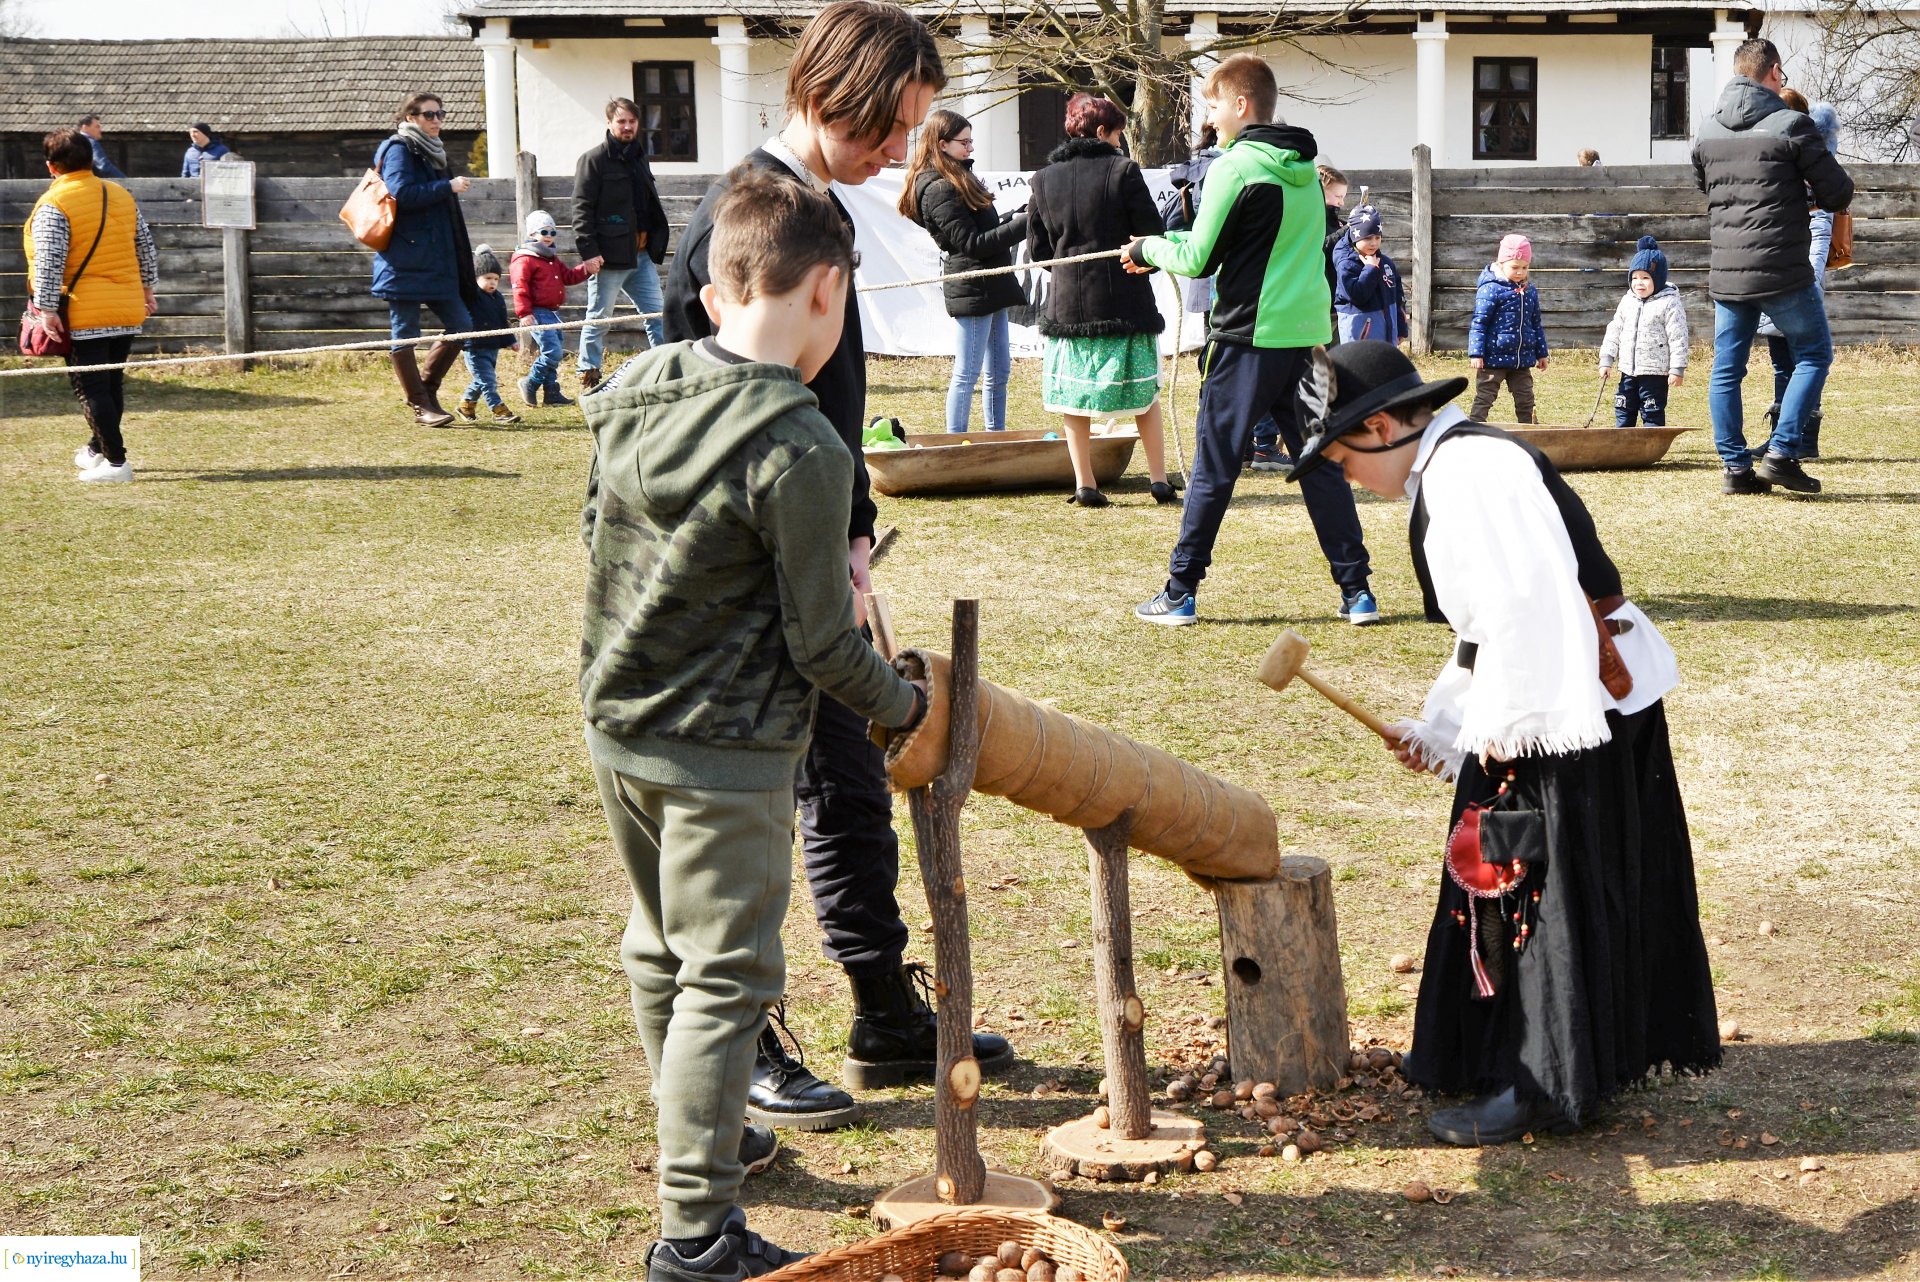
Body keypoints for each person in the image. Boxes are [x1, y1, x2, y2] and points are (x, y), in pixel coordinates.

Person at [666, 0, 1012, 1135]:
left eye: (915, 130)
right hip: (748, 586)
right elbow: (696, 430)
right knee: (756, 810)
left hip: (827, 559)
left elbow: (832, 405)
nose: (898, 153)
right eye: (891, 126)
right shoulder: (736, 223)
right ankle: (750, 1038)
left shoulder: (827, 215)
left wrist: (854, 547)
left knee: (850, 785)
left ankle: (881, 1010)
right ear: (832, 92)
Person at [582, 169, 928, 1282]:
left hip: (620, 723)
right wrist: (906, 707)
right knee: (726, 976)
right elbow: (827, 647)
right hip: (724, 750)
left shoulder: (634, 385)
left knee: (658, 947)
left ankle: (717, 1126)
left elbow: (604, 535)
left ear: (723, 281)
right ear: (825, 292)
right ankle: (697, 1233)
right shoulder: (804, 447)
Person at [1286, 340, 1720, 1147]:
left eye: (1340, 456)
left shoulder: (1468, 474)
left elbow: (1532, 613)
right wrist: (1447, 730)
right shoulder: (1453, 467)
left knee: (1529, 885)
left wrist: (1503, 740)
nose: (1342, 475)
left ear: (1381, 426)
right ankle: (1509, 1057)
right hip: (1556, 694)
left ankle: (1542, 1083)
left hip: (1563, 705)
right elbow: (1487, 633)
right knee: (1517, 875)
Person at [1125, 55, 1377, 626]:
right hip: (1311, 342)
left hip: (1247, 341)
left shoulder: (1234, 169)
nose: (1209, 116)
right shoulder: (1309, 174)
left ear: (1240, 105)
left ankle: (1180, 592)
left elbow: (1195, 257)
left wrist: (1147, 249)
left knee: (1215, 469)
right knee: (1321, 467)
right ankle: (1357, 592)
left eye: (1213, 104)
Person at [1692, 38, 1852, 496]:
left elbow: (1705, 184)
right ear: (1775, 73)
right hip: (1782, 267)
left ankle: (1735, 469)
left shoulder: (1707, 130)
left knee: (1727, 368)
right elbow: (1838, 193)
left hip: (1728, 268)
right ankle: (1782, 452)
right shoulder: (1794, 125)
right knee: (1815, 353)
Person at [1026, 94, 1176, 507]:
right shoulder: (1123, 170)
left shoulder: (1042, 179)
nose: (1120, 144)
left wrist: (1069, 270)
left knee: (1074, 399)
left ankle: (1085, 484)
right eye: (1117, 135)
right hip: (1126, 302)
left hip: (1067, 307)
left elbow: (1038, 252)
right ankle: (1159, 480)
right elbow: (1151, 235)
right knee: (1145, 396)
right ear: (1100, 132)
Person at [27, 128, 158, 483]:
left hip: (84, 309)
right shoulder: (121, 196)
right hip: (126, 305)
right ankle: (97, 451)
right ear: (90, 160)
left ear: (51, 167)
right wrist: (147, 290)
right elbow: (145, 246)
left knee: (92, 388)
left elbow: (49, 261)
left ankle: (117, 464)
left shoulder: (54, 204)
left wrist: (47, 309)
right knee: (111, 383)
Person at [898, 108, 1028, 433]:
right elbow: (972, 243)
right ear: (942, 144)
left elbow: (984, 228)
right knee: (967, 373)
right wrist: (1027, 225)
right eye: (965, 142)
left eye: (971, 142)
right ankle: (955, 444)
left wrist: (1016, 216)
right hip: (971, 286)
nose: (971, 148)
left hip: (991, 282)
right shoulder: (938, 188)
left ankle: (994, 437)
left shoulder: (958, 177)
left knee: (999, 371)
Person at [371, 92, 480, 429]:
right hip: (404, 259)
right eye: (429, 115)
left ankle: (427, 392)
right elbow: (401, 193)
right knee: (404, 332)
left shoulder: (433, 151)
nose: (436, 120)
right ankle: (420, 404)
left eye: (440, 114)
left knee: (462, 324)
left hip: (437, 260)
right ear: (410, 117)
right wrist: (446, 186)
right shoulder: (399, 148)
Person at [1756, 92, 1839, 459]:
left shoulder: (1811, 160)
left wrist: (1812, 278)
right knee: (1780, 358)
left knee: (1805, 356)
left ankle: (1804, 438)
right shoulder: (1778, 156)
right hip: (1775, 269)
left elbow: (1821, 225)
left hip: (1799, 275)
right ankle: (1780, 434)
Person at [573, 97, 671, 390]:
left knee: (658, 315)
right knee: (599, 317)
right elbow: (581, 208)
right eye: (621, 121)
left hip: (640, 255)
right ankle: (588, 374)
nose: (627, 127)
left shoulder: (639, 156)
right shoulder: (593, 160)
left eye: (631, 121)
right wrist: (589, 253)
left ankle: (664, 370)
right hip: (609, 257)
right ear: (609, 123)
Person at [511, 210, 601, 407]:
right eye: (544, 232)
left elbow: (567, 277)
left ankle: (551, 392)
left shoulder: (551, 259)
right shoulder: (525, 258)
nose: (549, 237)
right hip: (537, 313)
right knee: (553, 352)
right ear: (532, 234)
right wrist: (524, 313)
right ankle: (530, 383)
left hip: (552, 313)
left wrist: (585, 269)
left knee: (553, 350)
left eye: (553, 233)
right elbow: (519, 286)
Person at [1599, 236, 1688, 427]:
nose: (1639, 282)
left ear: (1658, 279)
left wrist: (1677, 368)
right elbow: (1614, 330)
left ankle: (1651, 444)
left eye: (1646, 278)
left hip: (1655, 373)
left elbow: (1678, 336)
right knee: (1623, 407)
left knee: (1652, 410)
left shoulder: (1669, 303)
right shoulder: (1627, 301)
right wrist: (1607, 359)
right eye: (1635, 277)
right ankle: (1623, 444)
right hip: (1628, 370)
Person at [1467, 234, 1549, 423]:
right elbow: (1479, 322)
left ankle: (1530, 432)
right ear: (1501, 263)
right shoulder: (1490, 289)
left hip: (1521, 360)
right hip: (1493, 357)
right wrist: (1476, 354)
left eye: (1525, 267)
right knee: (1485, 397)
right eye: (1515, 267)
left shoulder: (1529, 291)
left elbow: (1536, 323)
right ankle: (1473, 428)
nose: (1520, 272)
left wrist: (1541, 353)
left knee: (1526, 399)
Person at [456, 245, 521, 425]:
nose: (492, 282)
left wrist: (511, 341)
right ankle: (498, 410)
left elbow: (502, 322)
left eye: (495, 279)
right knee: (488, 380)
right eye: (487, 278)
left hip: (492, 347)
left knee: (482, 380)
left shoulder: (498, 298)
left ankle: (465, 406)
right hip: (474, 347)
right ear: (476, 278)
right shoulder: (472, 295)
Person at [1332, 205, 1407, 346]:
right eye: (1367, 238)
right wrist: (1370, 269)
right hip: (1359, 341)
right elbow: (1357, 296)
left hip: (1387, 337)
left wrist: (1401, 328)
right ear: (1355, 237)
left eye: (1377, 237)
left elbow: (1398, 297)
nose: (1373, 243)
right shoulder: (1347, 265)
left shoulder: (1386, 264)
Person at [77, 115, 126, 181]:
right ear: (85, 127)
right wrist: (126, 180)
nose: (100, 130)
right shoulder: (90, 142)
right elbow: (104, 166)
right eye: (97, 127)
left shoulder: (73, 142)